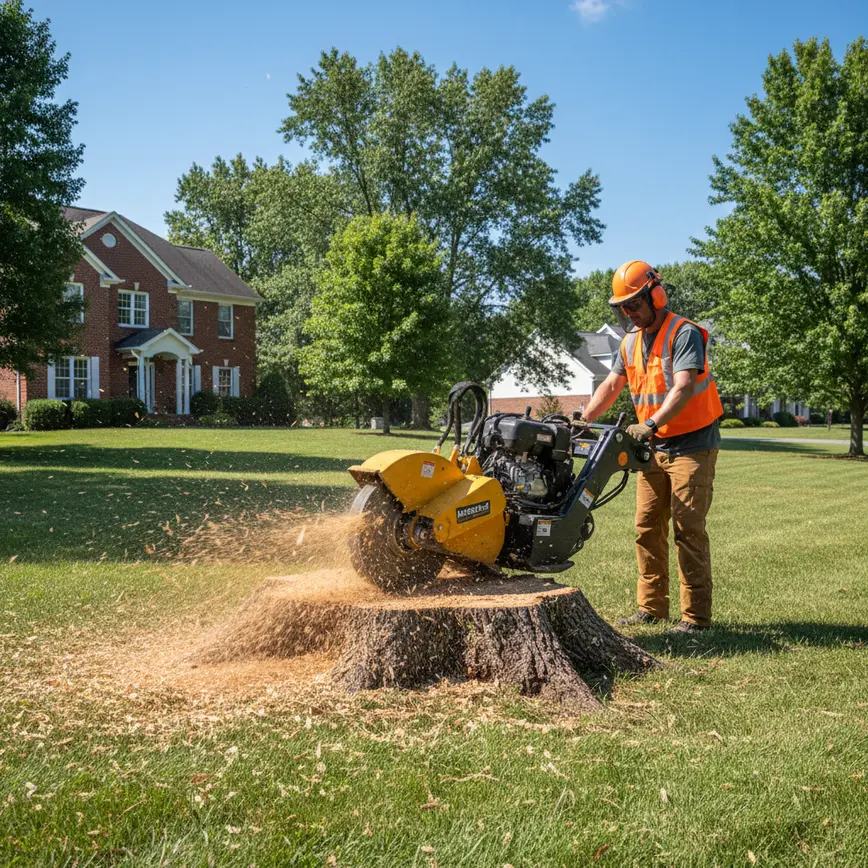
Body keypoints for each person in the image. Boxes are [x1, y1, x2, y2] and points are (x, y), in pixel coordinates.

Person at [577, 261, 724, 633]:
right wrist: (582, 420)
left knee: (688, 529)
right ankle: (652, 608)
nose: (629, 313)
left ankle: (695, 619)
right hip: (653, 447)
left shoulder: (683, 332)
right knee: (646, 528)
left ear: (656, 296)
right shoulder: (628, 342)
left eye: (634, 305)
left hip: (692, 445)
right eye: (623, 307)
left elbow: (684, 386)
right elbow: (610, 386)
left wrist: (650, 423)